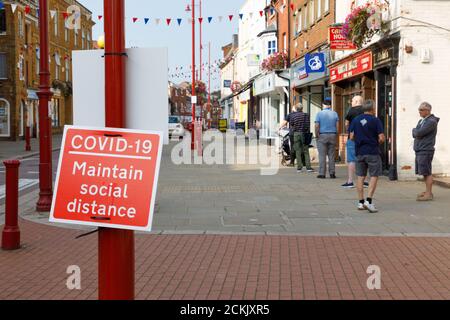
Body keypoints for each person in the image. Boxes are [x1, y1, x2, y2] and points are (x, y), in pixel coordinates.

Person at [349, 99, 385, 213]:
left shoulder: (355, 120)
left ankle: (360, 202)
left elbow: (351, 137)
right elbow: (382, 137)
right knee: (374, 176)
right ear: (373, 108)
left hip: (359, 152)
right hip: (373, 151)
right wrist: (377, 142)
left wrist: (360, 141)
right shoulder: (376, 120)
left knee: (360, 177)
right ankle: (368, 201)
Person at [413, 102, 439, 201]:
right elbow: (416, 132)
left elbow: (418, 132)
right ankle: (428, 191)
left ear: (428, 111)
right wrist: (415, 131)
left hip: (426, 149)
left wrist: (415, 131)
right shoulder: (422, 121)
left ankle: (428, 194)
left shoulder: (431, 121)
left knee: (427, 172)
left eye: (421, 110)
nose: (419, 112)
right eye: (419, 110)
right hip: (420, 149)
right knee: (424, 172)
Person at [280, 104, 314, 172]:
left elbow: (292, 124)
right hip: (304, 133)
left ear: (296, 108)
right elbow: (308, 124)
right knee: (306, 150)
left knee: (297, 150)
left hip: (296, 134)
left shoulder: (293, 115)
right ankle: (308, 167)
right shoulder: (306, 115)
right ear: (302, 108)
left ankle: (299, 168)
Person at [342, 96, 365, 188]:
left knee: (352, 160)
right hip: (364, 138)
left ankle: (350, 181)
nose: (351, 102)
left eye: (352, 101)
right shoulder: (365, 110)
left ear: (356, 101)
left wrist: (348, 130)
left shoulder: (351, 110)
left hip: (353, 138)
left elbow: (346, 123)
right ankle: (364, 181)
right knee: (363, 160)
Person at [315, 99, 339, 179]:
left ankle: (322, 174)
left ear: (323, 105)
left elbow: (317, 125)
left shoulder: (319, 114)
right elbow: (337, 126)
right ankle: (332, 173)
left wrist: (316, 134)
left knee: (322, 155)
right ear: (330, 105)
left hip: (322, 135)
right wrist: (336, 134)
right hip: (332, 135)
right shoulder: (335, 114)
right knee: (331, 155)